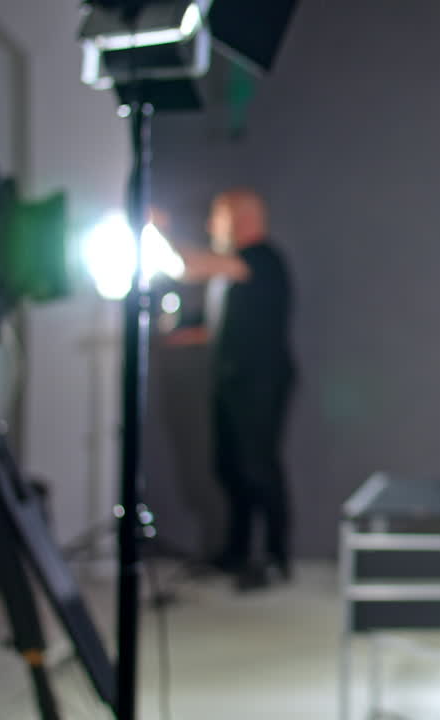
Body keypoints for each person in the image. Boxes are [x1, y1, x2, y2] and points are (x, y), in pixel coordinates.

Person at [166, 189, 295, 590]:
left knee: (259, 467)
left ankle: (275, 557)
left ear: (241, 218)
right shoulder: (230, 270)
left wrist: (157, 237)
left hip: (260, 383)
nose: (210, 226)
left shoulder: (262, 259)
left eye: (216, 217)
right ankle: (236, 552)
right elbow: (214, 324)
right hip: (229, 382)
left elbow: (192, 266)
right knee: (229, 468)